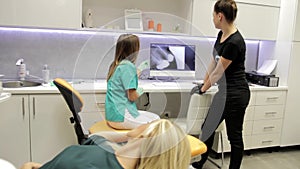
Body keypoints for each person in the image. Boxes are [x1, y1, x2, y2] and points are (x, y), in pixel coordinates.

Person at [191, 0, 250, 169]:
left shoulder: (234, 42)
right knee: (207, 128)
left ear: (220, 16)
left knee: (234, 136)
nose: (212, 18)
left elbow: (218, 72)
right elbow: (213, 62)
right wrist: (203, 83)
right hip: (225, 92)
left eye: (213, 15)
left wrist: (204, 88)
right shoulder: (221, 35)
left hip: (236, 94)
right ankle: (199, 163)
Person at [21, 119, 191, 169]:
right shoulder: (110, 152)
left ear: (148, 135)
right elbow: (98, 137)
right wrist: (130, 136)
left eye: (150, 122)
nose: (143, 122)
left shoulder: (80, 160)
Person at [105, 34, 160, 129]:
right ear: (134, 50)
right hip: (122, 118)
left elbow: (125, 77)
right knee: (157, 123)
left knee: (154, 118)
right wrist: (141, 90)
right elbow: (132, 97)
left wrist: (139, 70)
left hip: (112, 116)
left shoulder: (116, 65)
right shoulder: (128, 67)